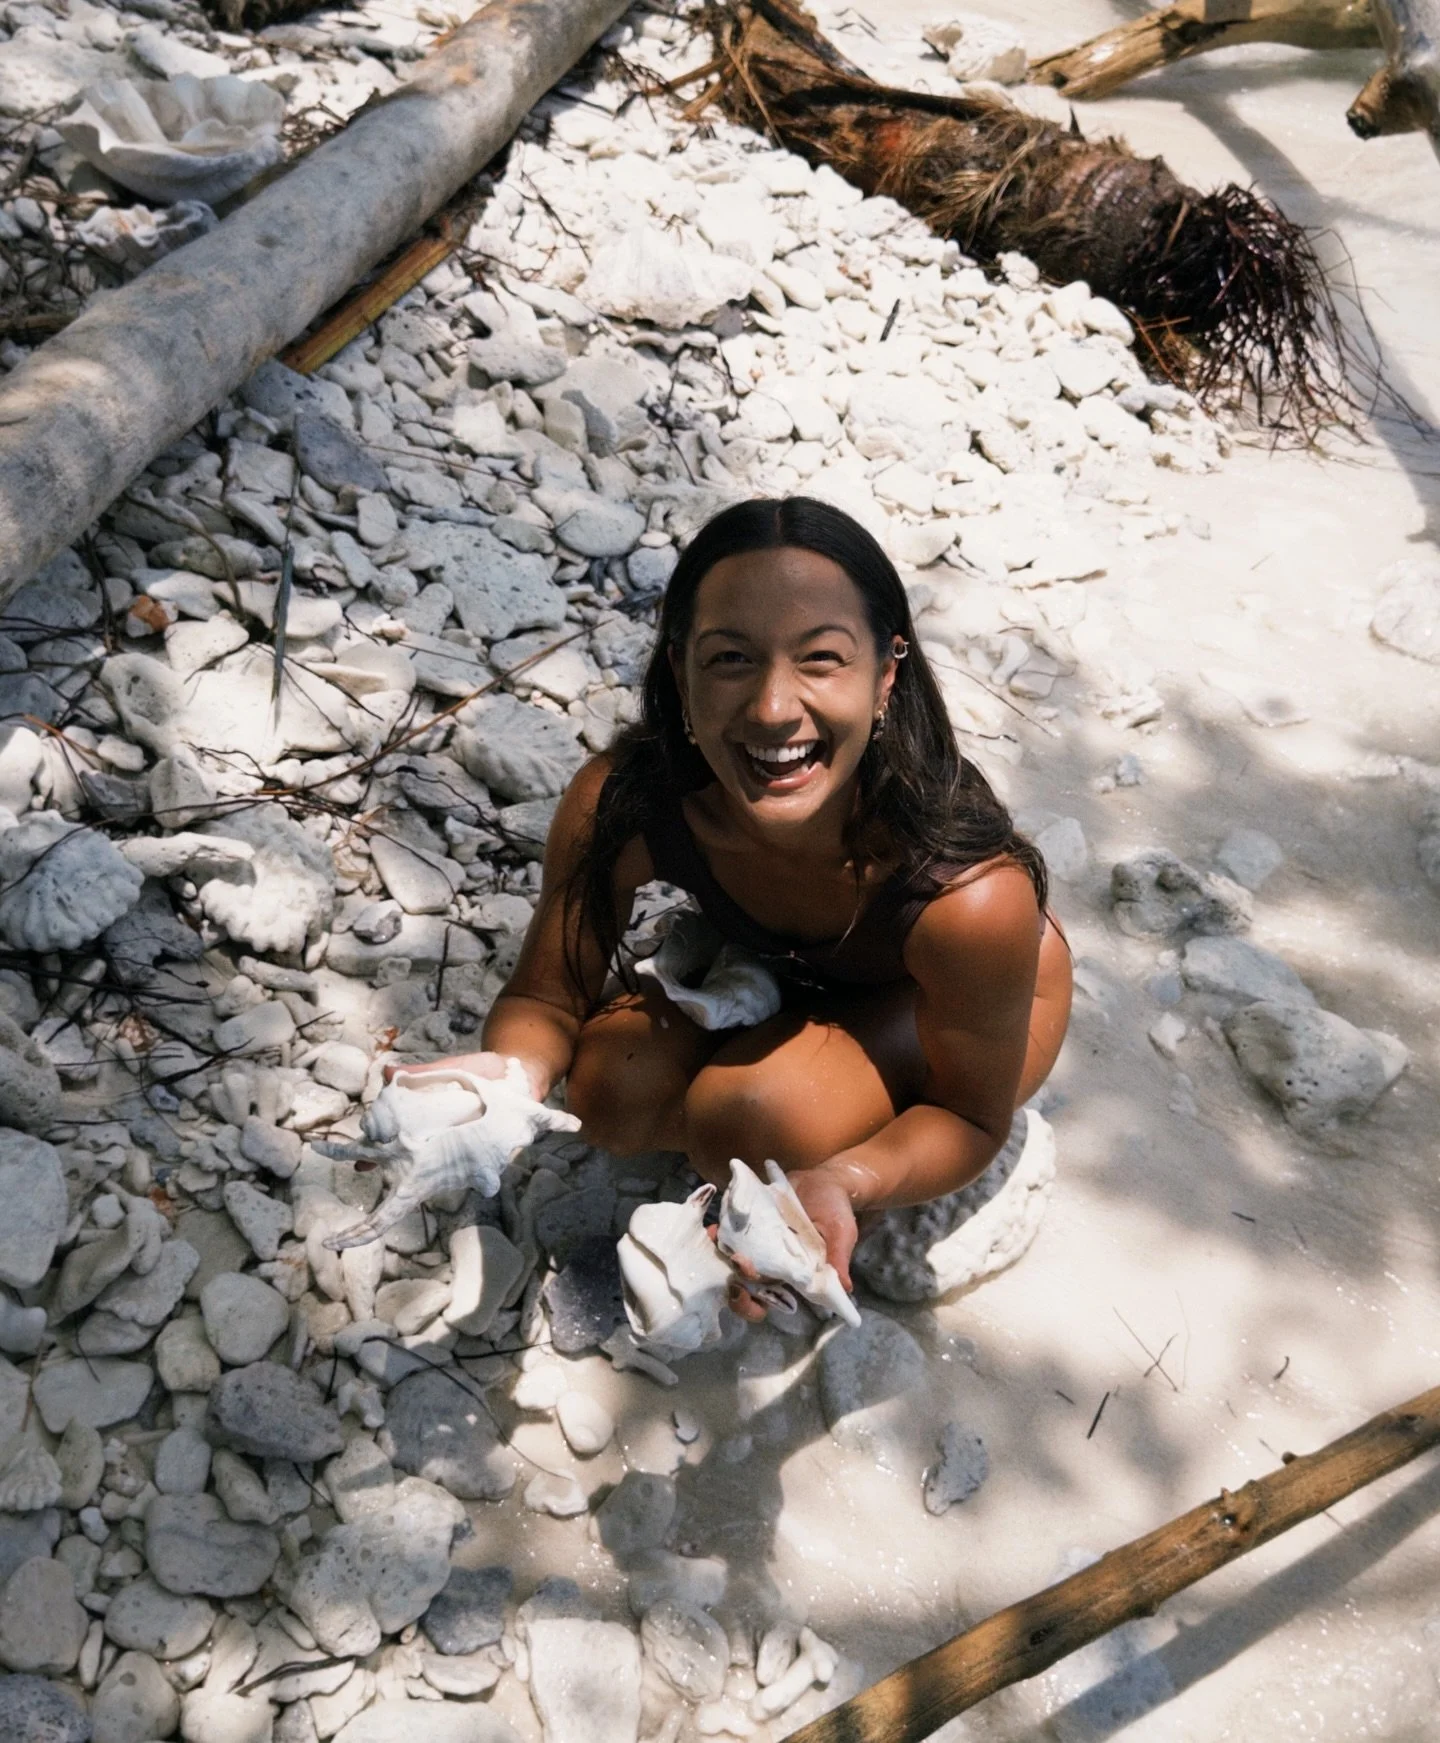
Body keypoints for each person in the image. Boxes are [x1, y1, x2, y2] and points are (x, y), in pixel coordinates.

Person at [425, 496, 1071, 1319]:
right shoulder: (626, 802)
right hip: (796, 964)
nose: (772, 708)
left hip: (948, 995)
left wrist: (848, 1177)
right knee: (607, 1090)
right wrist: (509, 1080)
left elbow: (969, 1118)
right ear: (677, 674)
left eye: (821, 659)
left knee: (751, 1120)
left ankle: (825, 1170)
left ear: (887, 674)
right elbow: (546, 997)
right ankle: (790, 1093)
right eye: (730, 658)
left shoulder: (970, 896)